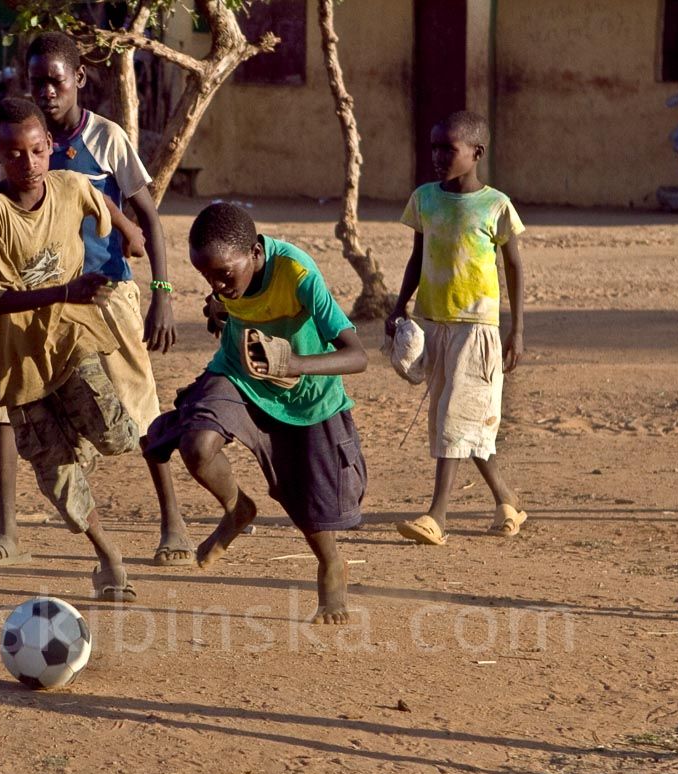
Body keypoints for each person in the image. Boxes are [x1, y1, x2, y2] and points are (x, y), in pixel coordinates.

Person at [0, 31, 191, 569]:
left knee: (138, 406)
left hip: (105, 293)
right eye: (36, 81)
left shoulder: (105, 139)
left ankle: (173, 521)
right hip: (34, 307)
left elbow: (142, 216)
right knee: (6, 408)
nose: (45, 91)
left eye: (55, 81)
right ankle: (8, 531)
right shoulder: (17, 156)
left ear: (79, 80)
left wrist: (160, 290)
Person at [145, 202, 368, 624]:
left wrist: (292, 364)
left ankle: (331, 564)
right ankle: (237, 508)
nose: (216, 284)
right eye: (206, 276)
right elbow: (230, 300)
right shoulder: (228, 275)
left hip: (306, 393)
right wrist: (220, 308)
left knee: (305, 500)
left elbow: (357, 356)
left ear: (256, 253)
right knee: (196, 444)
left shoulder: (298, 274)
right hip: (238, 374)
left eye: (224, 275)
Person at [0, 97, 145, 599]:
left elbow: (97, 200)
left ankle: (78, 433)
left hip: (71, 340)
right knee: (59, 477)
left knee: (116, 436)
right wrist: (67, 290)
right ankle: (109, 559)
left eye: (35, 151)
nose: (26, 164)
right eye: (13, 154)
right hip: (19, 361)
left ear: (50, 147)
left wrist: (128, 228)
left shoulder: (69, 185)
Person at [386, 110, 527, 545]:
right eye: (433, 147)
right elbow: (417, 255)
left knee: (453, 417)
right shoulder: (425, 199)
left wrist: (516, 329)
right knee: (461, 420)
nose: (438, 155)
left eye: (448, 148)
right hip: (436, 324)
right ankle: (508, 501)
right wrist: (398, 305)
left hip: (478, 329)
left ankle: (437, 517)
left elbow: (515, 266)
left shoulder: (496, 205)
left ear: (476, 152)